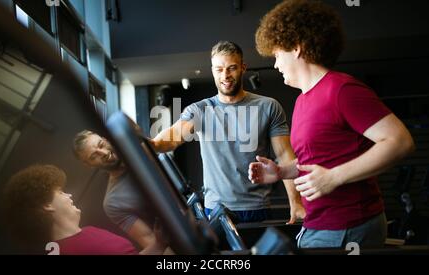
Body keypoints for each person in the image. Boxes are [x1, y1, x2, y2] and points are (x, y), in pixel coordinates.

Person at [250, 0, 415, 248]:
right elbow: (320, 159)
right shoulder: (303, 100)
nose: (275, 64)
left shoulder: (342, 90)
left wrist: (334, 177)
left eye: (276, 54)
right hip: (319, 225)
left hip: (349, 227)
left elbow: (400, 142)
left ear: (295, 47)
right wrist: (283, 172)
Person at [150, 41, 305, 223]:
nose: (225, 75)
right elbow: (172, 138)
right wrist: (147, 144)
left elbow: (285, 156)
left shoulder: (268, 106)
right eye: (219, 69)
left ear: (243, 67)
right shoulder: (200, 110)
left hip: (257, 207)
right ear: (213, 70)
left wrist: (296, 203)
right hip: (216, 208)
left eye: (231, 68)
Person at [2, 164, 167, 255]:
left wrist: (158, 245)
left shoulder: (86, 234)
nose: (69, 195)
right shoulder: (74, 249)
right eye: (60, 192)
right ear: (47, 205)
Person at [73, 130, 157, 250]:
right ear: (89, 165)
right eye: (94, 156)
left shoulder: (140, 149)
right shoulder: (113, 203)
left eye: (101, 144)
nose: (103, 153)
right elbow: (151, 241)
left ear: (106, 139)